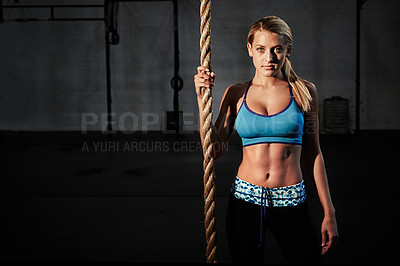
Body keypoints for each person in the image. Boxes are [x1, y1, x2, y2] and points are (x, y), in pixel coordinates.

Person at [194, 16, 338, 264]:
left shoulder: (304, 92)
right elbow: (213, 150)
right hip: (245, 201)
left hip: (291, 199)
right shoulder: (236, 93)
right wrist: (200, 99)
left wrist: (329, 211)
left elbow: (313, 153)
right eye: (261, 49)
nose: (269, 58)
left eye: (277, 49)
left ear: (287, 50)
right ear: (250, 49)